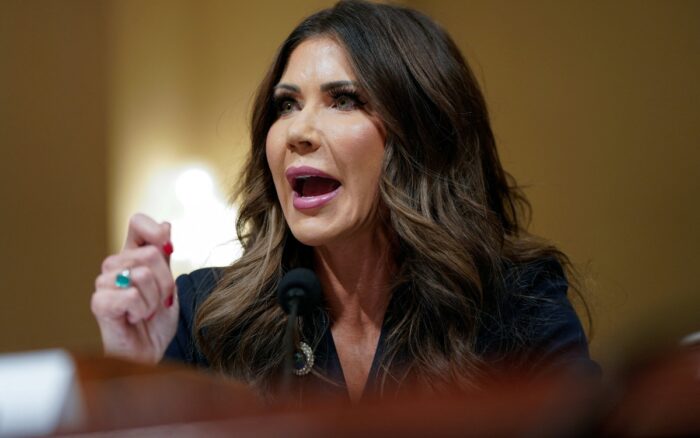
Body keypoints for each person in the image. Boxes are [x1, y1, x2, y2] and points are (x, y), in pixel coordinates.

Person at [91, 0, 598, 403]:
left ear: (421, 136)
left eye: (344, 100)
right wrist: (131, 370)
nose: (299, 131)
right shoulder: (204, 317)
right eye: (287, 104)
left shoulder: (515, 307)